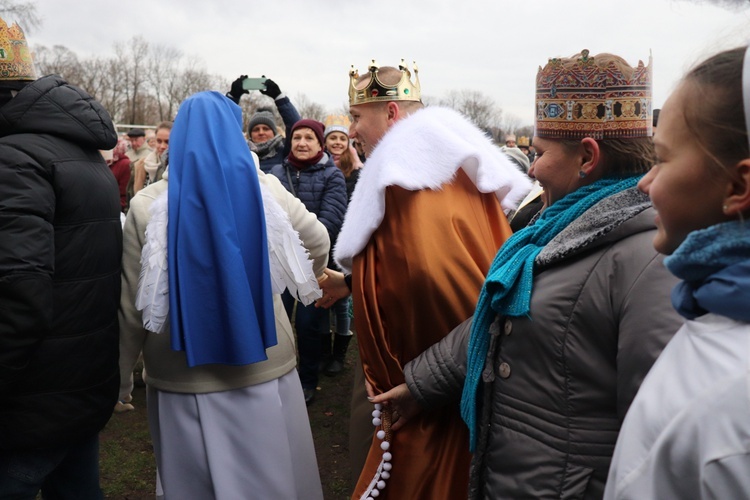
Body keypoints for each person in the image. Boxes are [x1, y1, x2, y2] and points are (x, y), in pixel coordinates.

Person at [372, 50, 684, 499]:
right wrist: (419, 385)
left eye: (538, 154)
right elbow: (503, 319)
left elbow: (661, 440)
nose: (531, 169)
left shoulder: (646, 261)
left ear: (588, 157)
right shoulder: (556, 229)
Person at [320, 60, 531, 499]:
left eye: (358, 117)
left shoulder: (412, 180)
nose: (353, 130)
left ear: (392, 114)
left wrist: (418, 380)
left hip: (426, 398)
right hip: (433, 381)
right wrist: (353, 281)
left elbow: (435, 283)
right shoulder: (436, 168)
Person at [119, 91, 328, 499]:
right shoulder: (266, 188)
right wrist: (301, 279)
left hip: (180, 375)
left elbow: (130, 305)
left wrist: (121, 379)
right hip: (265, 363)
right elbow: (318, 240)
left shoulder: (148, 205)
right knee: (272, 474)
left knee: (193, 482)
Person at [604, 46, 750, 500]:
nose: (645, 183)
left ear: (738, 187)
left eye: (662, 159)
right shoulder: (711, 316)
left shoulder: (734, 393)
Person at [0, 17, 121, 498]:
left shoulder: (15, 158)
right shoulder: (76, 150)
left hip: (29, 399)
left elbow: (19, 295)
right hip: (77, 383)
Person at [269, 118, 347, 404]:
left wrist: (299, 246)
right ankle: (279, 376)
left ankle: (307, 380)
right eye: (297, 137)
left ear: (319, 143)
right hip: (280, 264)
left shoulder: (332, 175)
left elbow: (331, 221)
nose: (302, 142)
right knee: (278, 323)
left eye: (309, 138)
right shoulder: (276, 173)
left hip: (315, 266)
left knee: (308, 325)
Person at [318, 114, 362, 377]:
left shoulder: (356, 170)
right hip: (325, 238)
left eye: (341, 138)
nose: (336, 142)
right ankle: (324, 349)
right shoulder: (320, 166)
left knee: (342, 300)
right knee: (323, 294)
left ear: (348, 142)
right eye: (332, 137)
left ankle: (340, 351)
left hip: (344, 239)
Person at [226, 76, 301, 172]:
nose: (261, 132)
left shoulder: (285, 152)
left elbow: (296, 126)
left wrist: (279, 97)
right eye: (256, 129)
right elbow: (224, 129)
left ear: (274, 132)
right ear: (250, 134)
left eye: (266, 128)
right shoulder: (242, 153)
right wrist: (232, 98)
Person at [133, 120, 171, 193]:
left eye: (167, 142)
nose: (162, 146)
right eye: (159, 141)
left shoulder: (176, 169)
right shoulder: (142, 164)